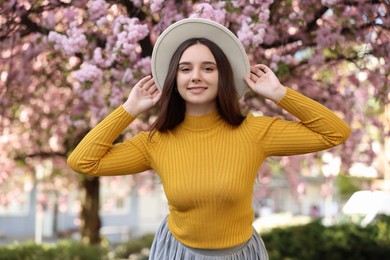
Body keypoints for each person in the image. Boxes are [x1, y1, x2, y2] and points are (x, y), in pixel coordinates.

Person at [67, 18, 350, 259]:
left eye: (208, 68)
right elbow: (83, 161)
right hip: (176, 252)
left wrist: (280, 94)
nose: (196, 77)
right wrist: (128, 110)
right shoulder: (155, 142)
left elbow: (335, 132)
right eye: (185, 69)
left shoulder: (255, 132)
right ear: (174, 79)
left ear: (222, 76)